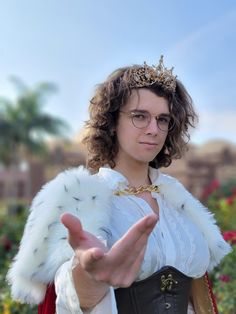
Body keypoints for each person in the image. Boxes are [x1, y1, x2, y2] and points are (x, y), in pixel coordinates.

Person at [7, 56, 231, 314]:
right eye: (139, 116)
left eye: (163, 119)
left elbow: (199, 296)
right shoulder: (77, 199)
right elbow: (66, 298)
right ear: (112, 122)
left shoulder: (178, 201)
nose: (153, 129)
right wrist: (91, 277)